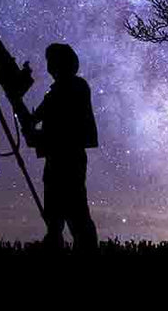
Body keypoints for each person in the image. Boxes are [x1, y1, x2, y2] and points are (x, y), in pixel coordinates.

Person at [19, 42, 99, 250]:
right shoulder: (60, 90)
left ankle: (85, 248)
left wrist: (37, 134)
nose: (50, 67)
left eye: (52, 62)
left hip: (67, 157)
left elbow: (63, 128)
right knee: (55, 210)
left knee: (75, 210)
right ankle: (55, 241)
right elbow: (37, 118)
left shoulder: (72, 88)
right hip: (58, 157)